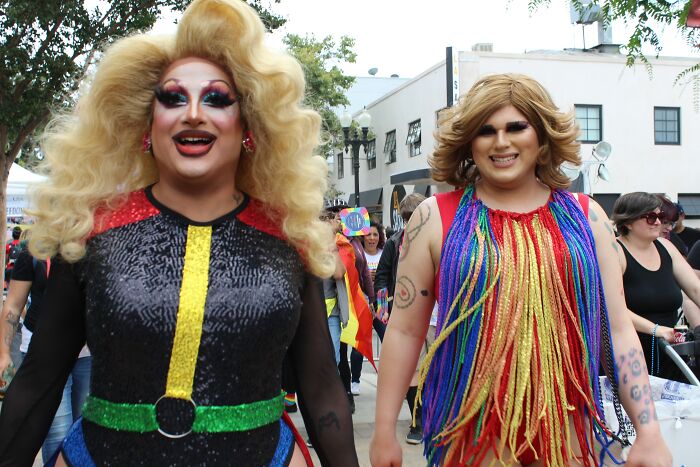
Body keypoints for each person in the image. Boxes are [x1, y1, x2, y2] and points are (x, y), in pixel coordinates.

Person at [0, 1, 357, 465]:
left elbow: (322, 389)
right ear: (145, 124)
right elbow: (39, 381)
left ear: (248, 124)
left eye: (216, 98)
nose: (193, 113)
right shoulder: (91, 232)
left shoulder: (289, 239)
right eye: (172, 98)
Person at [370, 73, 672, 466]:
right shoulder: (434, 218)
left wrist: (648, 430)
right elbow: (405, 330)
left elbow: (617, 329)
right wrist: (382, 430)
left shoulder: (586, 217)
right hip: (470, 440)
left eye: (516, 127)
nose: (501, 142)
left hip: (568, 435)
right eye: (485, 131)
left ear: (542, 135)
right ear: (468, 142)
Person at [0, 242, 92, 463]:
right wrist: (4, 353)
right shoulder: (32, 251)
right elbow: (12, 305)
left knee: (80, 432)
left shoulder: (99, 244)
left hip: (86, 357)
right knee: (58, 431)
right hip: (43, 353)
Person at [612, 192, 700, 383]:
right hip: (629, 354)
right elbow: (611, 307)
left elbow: (695, 289)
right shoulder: (615, 252)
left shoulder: (665, 247)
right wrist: (656, 329)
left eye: (661, 217)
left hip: (670, 349)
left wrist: (664, 333)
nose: (658, 223)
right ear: (628, 222)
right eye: (651, 217)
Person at [373, 192, 429, 445]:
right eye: (407, 218)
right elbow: (382, 276)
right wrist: (384, 307)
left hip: (438, 316)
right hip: (406, 314)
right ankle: (417, 422)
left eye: (414, 216)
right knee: (411, 369)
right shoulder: (395, 242)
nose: (410, 222)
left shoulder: (444, 237)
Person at [350, 220, 386, 396]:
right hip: (361, 305)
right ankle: (354, 380)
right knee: (359, 346)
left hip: (382, 305)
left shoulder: (385, 253)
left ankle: (390, 380)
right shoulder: (357, 253)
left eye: (375, 234)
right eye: (368, 234)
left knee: (388, 342)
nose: (372, 238)